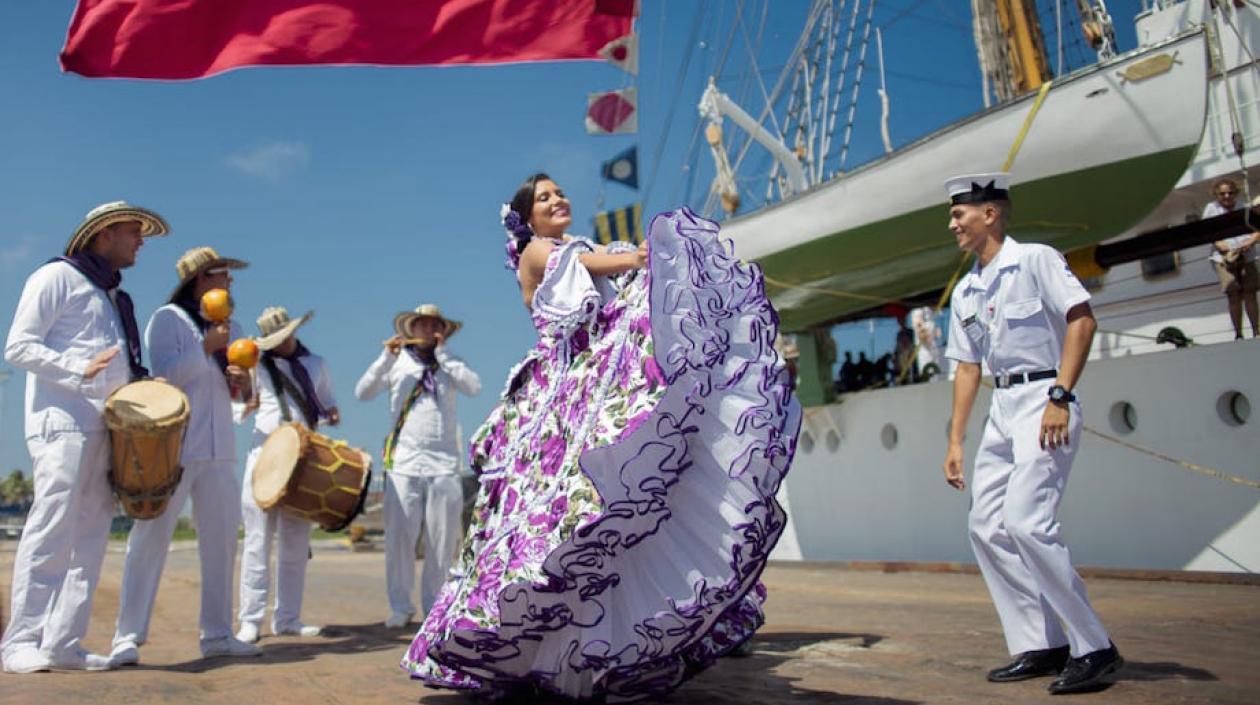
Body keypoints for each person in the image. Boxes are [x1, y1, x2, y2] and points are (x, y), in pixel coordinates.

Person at [401, 174, 801, 700]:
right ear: (527, 217)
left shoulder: (582, 249)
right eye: (544, 198)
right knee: (569, 517)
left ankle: (633, 636)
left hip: (594, 383)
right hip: (560, 397)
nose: (557, 200)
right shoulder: (538, 254)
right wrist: (645, 257)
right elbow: (598, 267)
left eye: (559, 192)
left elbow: (613, 276)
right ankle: (543, 648)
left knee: (622, 507)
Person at [940, 173, 1121, 695]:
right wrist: (955, 440)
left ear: (989, 214)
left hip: (1046, 399)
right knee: (985, 526)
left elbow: (1082, 321)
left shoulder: (1036, 259)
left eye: (959, 214)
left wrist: (1061, 396)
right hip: (1003, 408)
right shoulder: (967, 290)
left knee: (1026, 522)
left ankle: (1096, 648)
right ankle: (1040, 643)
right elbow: (968, 368)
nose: (952, 224)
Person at [1, 202, 167, 673]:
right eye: (134, 233)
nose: (141, 242)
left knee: (92, 536)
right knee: (51, 526)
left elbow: (118, 362)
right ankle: (20, 642)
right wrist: (77, 369)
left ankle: (63, 643)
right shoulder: (56, 277)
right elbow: (18, 344)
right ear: (103, 235)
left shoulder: (115, 296)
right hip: (62, 422)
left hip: (106, 428)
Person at [111, 247, 261, 665]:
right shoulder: (168, 320)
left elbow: (244, 397)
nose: (230, 283)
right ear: (201, 280)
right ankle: (127, 636)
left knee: (221, 543)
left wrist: (241, 384)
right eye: (223, 276)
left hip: (220, 451)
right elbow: (164, 377)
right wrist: (204, 349)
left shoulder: (235, 328)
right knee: (150, 538)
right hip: (174, 447)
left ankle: (217, 633)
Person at [355, 304, 481, 629]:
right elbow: (363, 392)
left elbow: (473, 387)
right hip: (404, 462)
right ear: (411, 329)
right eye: (421, 324)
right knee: (400, 539)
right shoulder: (396, 363)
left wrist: (446, 355)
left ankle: (434, 605)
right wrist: (386, 357)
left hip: (444, 463)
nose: (427, 330)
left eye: (433, 325)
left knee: (442, 539)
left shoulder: (451, 364)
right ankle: (400, 606)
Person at [235, 307, 340, 644]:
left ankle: (288, 617)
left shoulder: (316, 364)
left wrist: (332, 414)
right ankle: (250, 620)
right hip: (264, 455)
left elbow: (326, 405)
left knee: (295, 542)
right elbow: (237, 409)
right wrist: (243, 402)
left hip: (303, 458)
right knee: (257, 541)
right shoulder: (255, 366)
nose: (281, 345)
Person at [1202, 178, 1259, 339]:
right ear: (1216, 195)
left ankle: (1257, 332)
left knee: (1250, 292)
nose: (1227, 196)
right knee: (1233, 293)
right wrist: (1219, 244)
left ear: (1235, 193)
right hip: (1223, 257)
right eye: (1222, 194)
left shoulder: (1243, 207)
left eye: (1230, 193)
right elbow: (1207, 231)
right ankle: (1238, 334)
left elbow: (1257, 230)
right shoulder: (1211, 209)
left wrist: (1250, 241)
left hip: (1246, 254)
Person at [911, 306, 943, 381]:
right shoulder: (918, 310)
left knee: (936, 372)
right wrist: (925, 337)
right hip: (925, 348)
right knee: (928, 371)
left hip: (934, 345)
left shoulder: (929, 309)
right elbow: (918, 324)